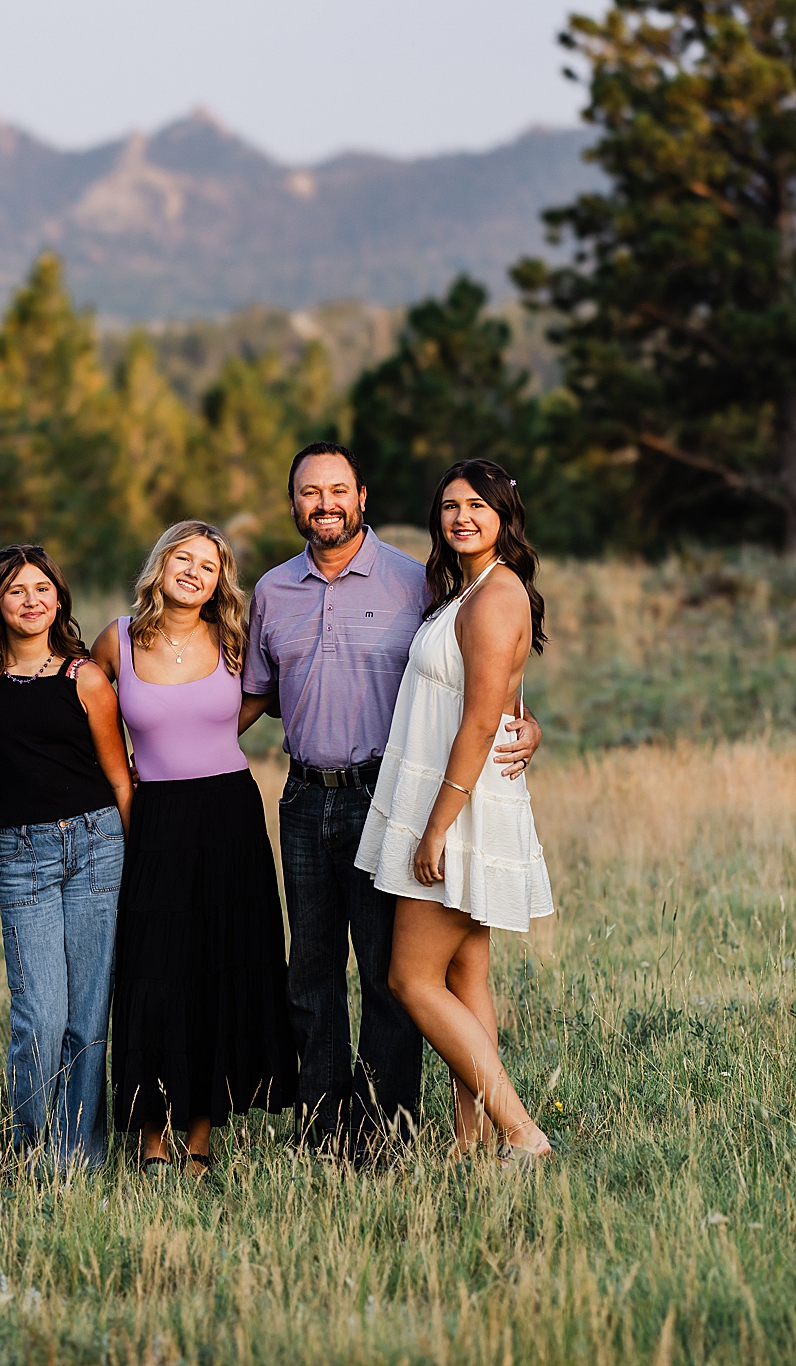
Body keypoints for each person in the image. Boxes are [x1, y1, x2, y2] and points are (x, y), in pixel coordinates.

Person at [240, 442, 540, 1158]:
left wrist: (526, 726)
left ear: (363, 495)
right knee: (310, 976)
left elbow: (485, 679)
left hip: (393, 797)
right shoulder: (272, 592)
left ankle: (385, 1135)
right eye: (310, 492)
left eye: (338, 489)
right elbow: (251, 694)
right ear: (293, 504)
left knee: (392, 977)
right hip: (306, 798)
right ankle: (321, 1133)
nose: (325, 504)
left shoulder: (417, 583)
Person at [355, 459, 556, 1164]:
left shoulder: (498, 595)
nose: (461, 517)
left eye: (477, 505)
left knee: (410, 979)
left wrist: (437, 826)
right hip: (451, 793)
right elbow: (504, 699)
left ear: (505, 513)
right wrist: (528, 724)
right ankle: (468, 1142)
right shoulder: (464, 591)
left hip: (457, 805)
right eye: (449, 506)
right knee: (466, 976)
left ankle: (522, 1132)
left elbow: (478, 721)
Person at [93, 520, 297, 1177]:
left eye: (207, 566)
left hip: (229, 816)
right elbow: (68, 696)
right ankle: (152, 1135)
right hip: (152, 816)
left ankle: (200, 1141)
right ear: (161, 564)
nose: (193, 572)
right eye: (183, 558)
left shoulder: (234, 640)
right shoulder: (116, 642)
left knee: (221, 970)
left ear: (219, 583)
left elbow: (264, 694)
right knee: (153, 972)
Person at [0, 544, 134, 1173]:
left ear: (58, 598)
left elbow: (120, 780)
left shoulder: (84, 677)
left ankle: (79, 1156)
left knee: (88, 1014)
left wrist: (134, 858)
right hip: (24, 854)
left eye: (42, 589)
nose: (31, 601)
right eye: (15, 590)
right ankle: (31, 1150)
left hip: (95, 846)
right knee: (39, 1015)